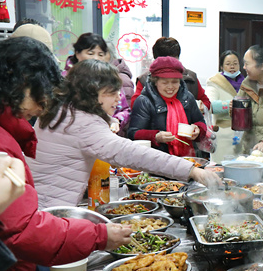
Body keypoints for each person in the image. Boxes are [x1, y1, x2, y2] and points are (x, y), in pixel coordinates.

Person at [0, 37, 132, 271]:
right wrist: (100, 235)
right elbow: (23, 230)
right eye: (39, 93)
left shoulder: (8, 130)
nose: (42, 106)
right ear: (19, 84)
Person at [30, 59, 220, 209]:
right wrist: (191, 171)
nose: (118, 98)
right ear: (90, 93)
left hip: (41, 201)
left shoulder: (61, 110)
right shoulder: (81, 122)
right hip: (50, 207)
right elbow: (131, 152)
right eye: (112, 93)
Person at [128, 56, 213, 158]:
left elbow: (200, 121)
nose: (170, 87)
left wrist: (198, 130)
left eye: (175, 82)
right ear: (155, 81)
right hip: (156, 159)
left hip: (187, 158)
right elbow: (133, 133)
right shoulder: (144, 101)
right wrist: (156, 136)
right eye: (165, 82)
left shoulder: (187, 98)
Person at [131, 37, 211, 110]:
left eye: (172, 61)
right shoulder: (145, 79)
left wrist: (201, 107)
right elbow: (136, 107)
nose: (169, 66)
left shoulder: (191, 77)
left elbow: (206, 101)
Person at [205, 50, 244, 163]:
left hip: (242, 135)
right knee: (221, 167)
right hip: (223, 135)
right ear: (221, 66)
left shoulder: (245, 83)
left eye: (235, 63)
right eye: (228, 64)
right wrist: (229, 105)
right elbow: (209, 105)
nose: (232, 67)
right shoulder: (214, 82)